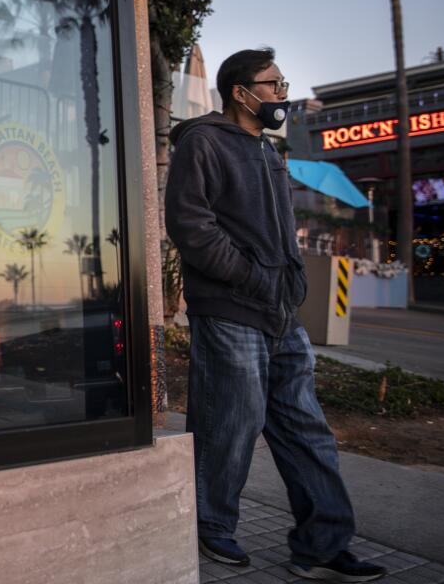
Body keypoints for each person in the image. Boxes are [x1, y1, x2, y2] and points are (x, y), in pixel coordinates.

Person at [165, 48, 386, 582]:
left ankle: (323, 544)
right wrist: (251, 277)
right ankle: (212, 525)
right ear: (242, 93)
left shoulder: (266, 150)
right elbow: (191, 226)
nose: (282, 94)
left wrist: (289, 282)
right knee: (229, 425)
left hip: (280, 314)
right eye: (274, 84)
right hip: (231, 311)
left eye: (284, 84)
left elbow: (278, 232)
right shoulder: (203, 142)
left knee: (308, 429)